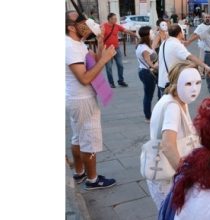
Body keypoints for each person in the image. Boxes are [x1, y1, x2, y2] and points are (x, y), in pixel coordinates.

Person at [66, 13, 117, 190]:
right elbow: (85, 78)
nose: (86, 22)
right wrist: (105, 59)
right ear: (71, 27)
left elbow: (92, 61)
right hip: (82, 99)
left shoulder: (77, 43)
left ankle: (80, 173)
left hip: (78, 98)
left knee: (78, 137)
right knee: (89, 139)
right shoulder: (70, 47)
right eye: (81, 20)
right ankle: (93, 180)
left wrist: (101, 43)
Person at [147, 62, 203, 208]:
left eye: (197, 83)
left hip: (163, 171)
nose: (194, 89)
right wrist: (186, 176)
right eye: (188, 84)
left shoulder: (174, 100)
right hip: (168, 175)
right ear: (176, 83)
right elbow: (168, 145)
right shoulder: (173, 106)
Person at [157, 24, 209, 98]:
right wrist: (206, 67)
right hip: (171, 83)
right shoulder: (177, 45)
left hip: (162, 82)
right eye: (183, 31)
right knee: (176, 106)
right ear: (180, 33)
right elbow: (191, 57)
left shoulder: (164, 43)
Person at [102, 13, 137, 88]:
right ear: (110, 19)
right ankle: (111, 83)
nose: (116, 20)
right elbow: (99, 36)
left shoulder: (117, 26)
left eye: (116, 18)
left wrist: (134, 34)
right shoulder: (103, 26)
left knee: (120, 65)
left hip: (116, 48)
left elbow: (125, 30)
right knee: (109, 67)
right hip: (107, 50)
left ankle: (121, 81)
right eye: (114, 18)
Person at [135, 26, 159, 124]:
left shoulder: (142, 45)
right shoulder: (144, 48)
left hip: (144, 71)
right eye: (151, 33)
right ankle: (148, 117)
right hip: (147, 73)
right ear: (147, 35)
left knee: (151, 94)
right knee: (148, 95)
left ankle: (153, 114)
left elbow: (153, 47)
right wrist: (157, 66)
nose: (152, 34)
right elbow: (149, 62)